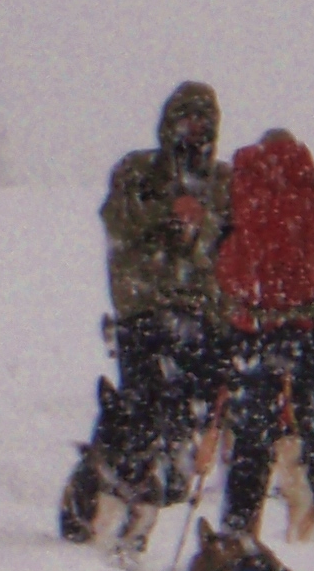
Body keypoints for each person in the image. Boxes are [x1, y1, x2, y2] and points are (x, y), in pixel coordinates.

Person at [59, 81, 228, 541]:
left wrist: (202, 222)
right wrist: (166, 212)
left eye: (203, 123)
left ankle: (164, 497)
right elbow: (116, 218)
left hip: (201, 314)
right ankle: (129, 494)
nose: (194, 131)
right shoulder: (136, 170)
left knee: (190, 410)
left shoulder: (223, 181)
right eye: (187, 120)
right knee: (143, 410)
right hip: (144, 310)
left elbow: (235, 238)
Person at [213, 129, 314, 571]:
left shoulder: (238, 186)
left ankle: (234, 547)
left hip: (256, 330)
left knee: (251, 448)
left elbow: (215, 248)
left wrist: (242, 300)